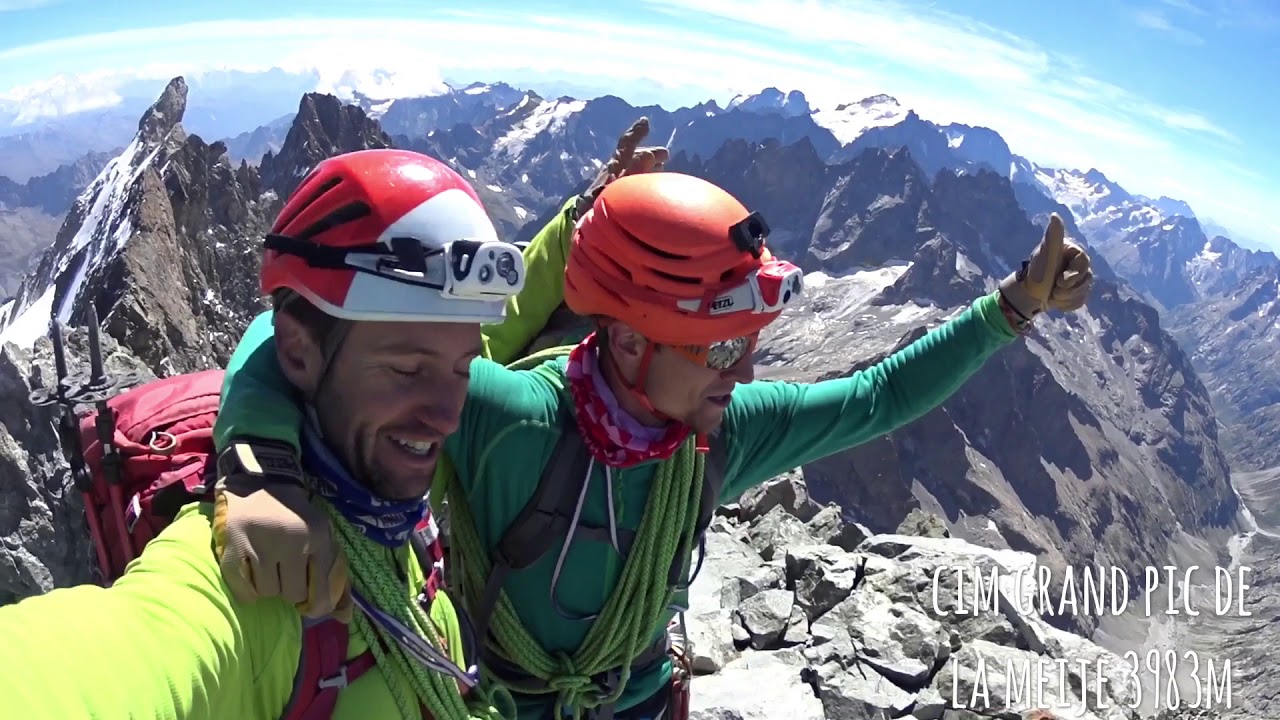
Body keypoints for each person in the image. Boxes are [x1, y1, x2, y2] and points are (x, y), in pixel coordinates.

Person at [208, 168, 1094, 720]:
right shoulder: (507, 412)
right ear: (629, 341)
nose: (739, 373)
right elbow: (287, 333)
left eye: (745, 346)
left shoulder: (718, 437)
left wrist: (1010, 308)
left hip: (633, 702)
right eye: (715, 348)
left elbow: (877, 397)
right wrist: (260, 470)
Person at [0, 126, 665, 720]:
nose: (447, 414)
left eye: (461, 369)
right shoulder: (257, 577)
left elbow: (497, 329)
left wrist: (586, 216)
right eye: (407, 371)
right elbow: (115, 657)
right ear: (298, 352)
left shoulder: (382, 475)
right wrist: (260, 472)